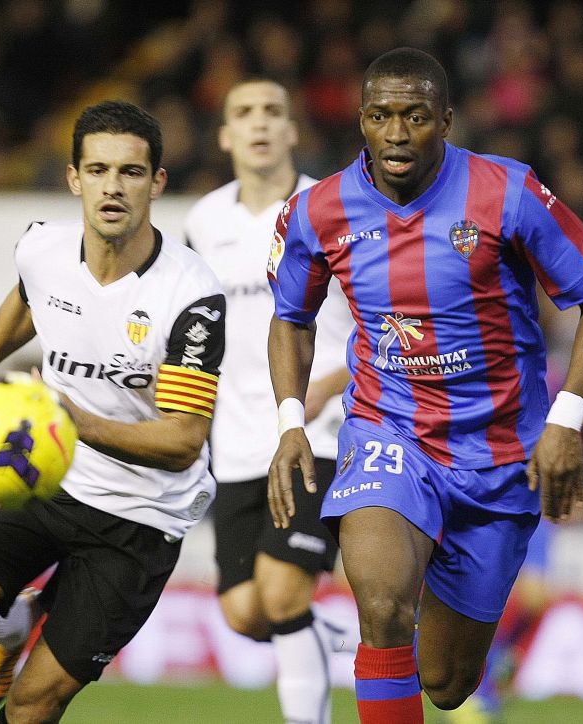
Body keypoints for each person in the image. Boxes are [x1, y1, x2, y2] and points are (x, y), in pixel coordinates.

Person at [266, 48, 583, 723]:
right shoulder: (318, 213)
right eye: (380, 116)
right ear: (361, 121)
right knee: (381, 606)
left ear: (447, 120)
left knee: (447, 682)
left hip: (499, 456)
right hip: (388, 430)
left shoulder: (508, 193)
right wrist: (290, 420)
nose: (397, 134)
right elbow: (290, 320)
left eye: (415, 117)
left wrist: (565, 419)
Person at [0, 101, 226, 724]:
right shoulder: (42, 247)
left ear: (157, 183)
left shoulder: (191, 295)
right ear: (74, 178)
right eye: (98, 169)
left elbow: (184, 441)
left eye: (131, 172)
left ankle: (26, 629)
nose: (113, 186)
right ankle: (7, 621)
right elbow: (28, 299)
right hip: (43, 479)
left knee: (29, 708)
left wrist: (76, 421)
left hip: (139, 513)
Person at [185, 78, 352, 724]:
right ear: (225, 135)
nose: (259, 123)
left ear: (292, 131)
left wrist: (326, 387)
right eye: (244, 113)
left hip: (321, 433)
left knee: (282, 597)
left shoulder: (330, 207)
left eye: (273, 112)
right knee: (246, 611)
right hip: (235, 443)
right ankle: (345, 638)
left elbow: (380, 322)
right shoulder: (204, 221)